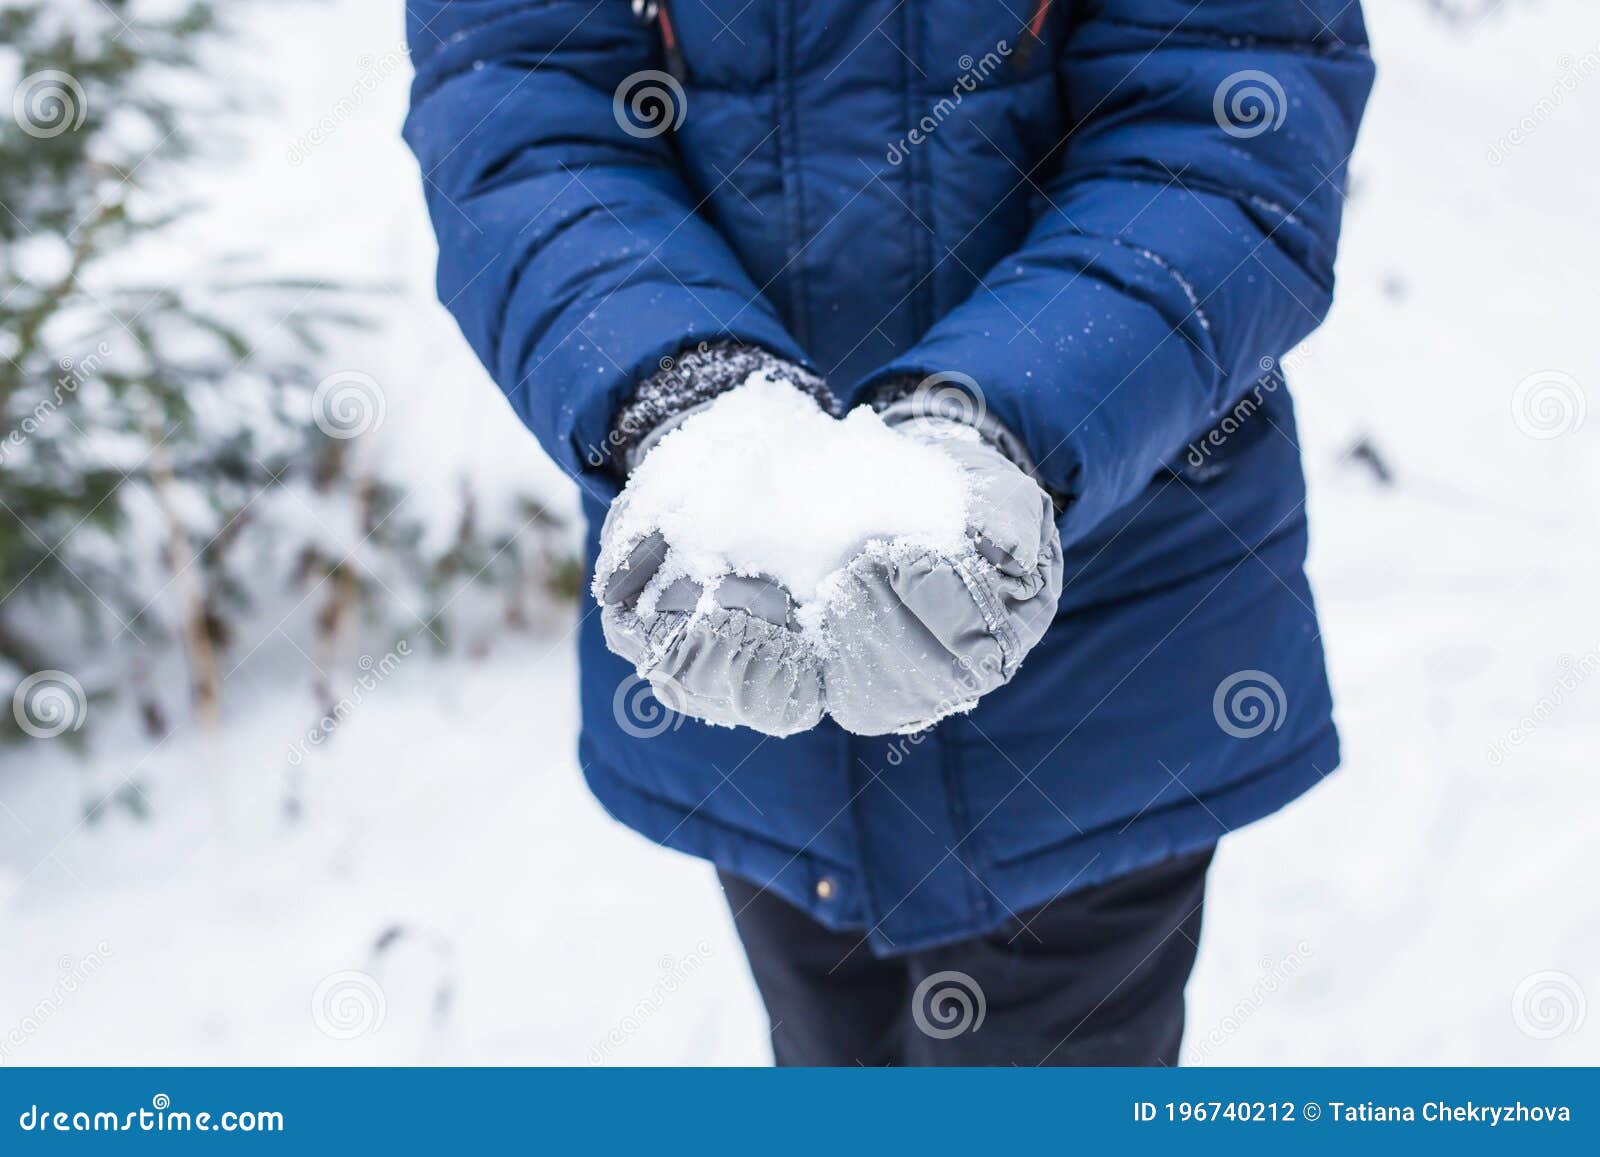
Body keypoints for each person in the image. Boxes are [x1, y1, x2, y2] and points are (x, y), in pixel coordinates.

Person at [404, 0, 1373, 1066]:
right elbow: (517, 116)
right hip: (747, 648)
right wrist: (680, 397)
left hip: (1103, 646)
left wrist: (999, 423)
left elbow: (1229, 117)